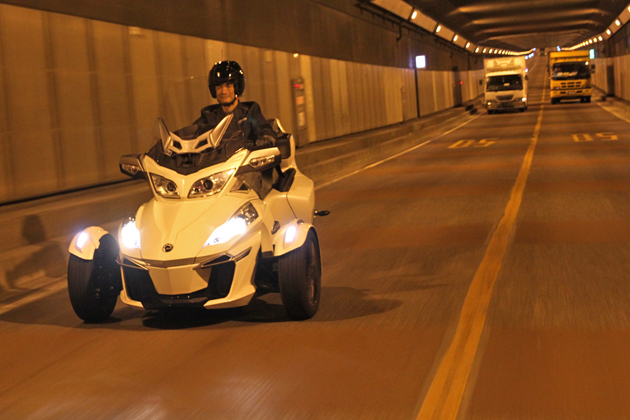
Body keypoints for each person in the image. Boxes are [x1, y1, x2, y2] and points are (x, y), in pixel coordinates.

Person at [195, 60, 276, 149]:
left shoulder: (249, 112)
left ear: (237, 88)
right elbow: (191, 133)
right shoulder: (208, 116)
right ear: (213, 90)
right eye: (219, 87)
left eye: (228, 86)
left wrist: (266, 138)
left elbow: (264, 129)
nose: (224, 91)